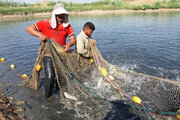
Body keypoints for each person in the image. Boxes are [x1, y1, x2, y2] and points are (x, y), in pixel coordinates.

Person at [26, 3, 76, 99]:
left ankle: (59, 97)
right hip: (47, 53)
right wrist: (40, 35)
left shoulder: (67, 26)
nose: (61, 17)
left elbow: (73, 39)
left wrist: (69, 45)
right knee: (49, 77)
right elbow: (29, 28)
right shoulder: (44, 23)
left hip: (61, 55)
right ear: (54, 15)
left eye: (63, 15)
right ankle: (47, 98)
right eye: (59, 15)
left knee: (60, 79)